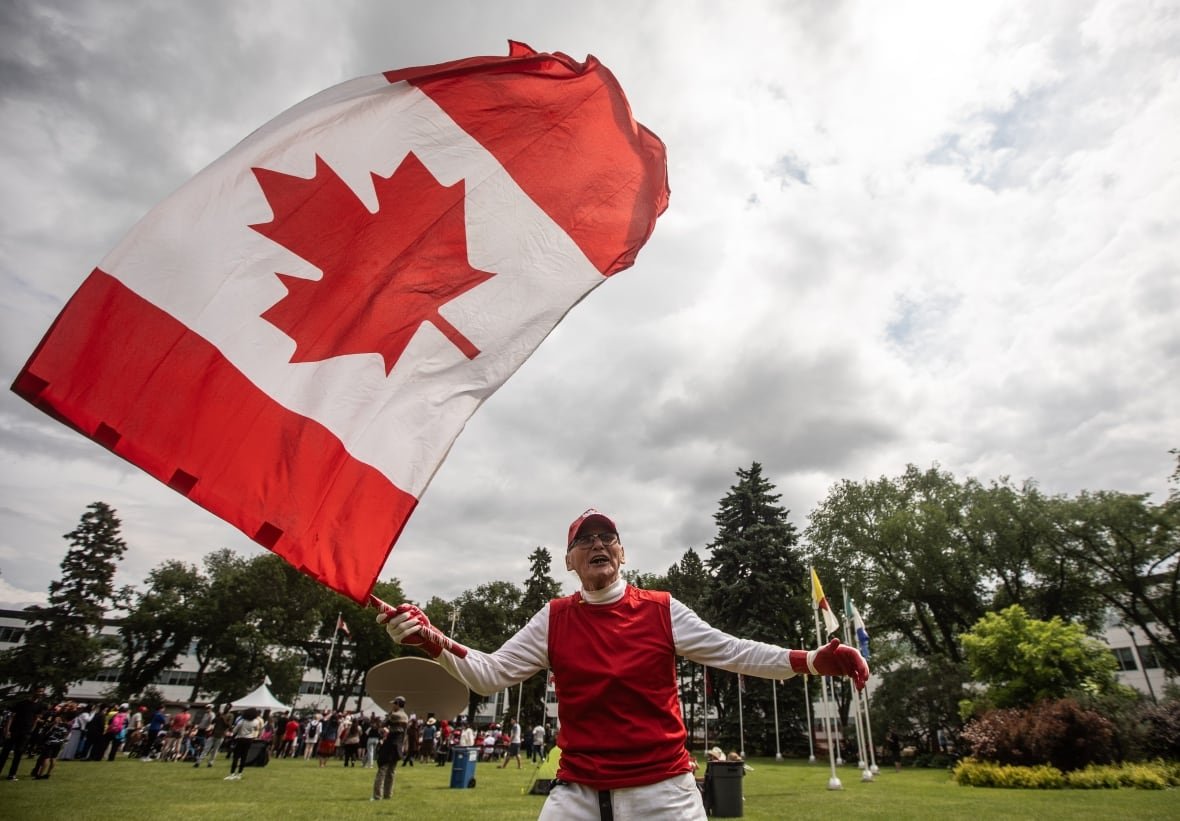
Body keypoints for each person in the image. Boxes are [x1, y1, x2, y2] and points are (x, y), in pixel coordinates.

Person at [379, 508, 870, 820]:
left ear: (621, 552)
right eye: (584, 539)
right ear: (569, 561)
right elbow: (491, 674)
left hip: (665, 794)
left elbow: (734, 650)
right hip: (578, 793)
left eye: (607, 537)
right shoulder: (554, 618)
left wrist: (810, 660)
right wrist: (431, 639)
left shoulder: (661, 609)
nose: (597, 543)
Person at [0, 686, 47, 780]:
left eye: (42, 692)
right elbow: (11, 717)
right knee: (5, 752)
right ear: (33, 692)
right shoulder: (22, 703)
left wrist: (31, 731)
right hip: (14, 730)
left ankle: (12, 774)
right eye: (39, 691)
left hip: (25, 732)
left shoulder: (40, 705)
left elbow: (36, 719)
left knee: (18, 753)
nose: (40, 693)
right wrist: (7, 730)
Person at [372, 698, 409, 801]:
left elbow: (383, 724)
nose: (392, 706)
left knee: (382, 769)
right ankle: (388, 794)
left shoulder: (394, 715)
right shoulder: (406, 716)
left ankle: (377, 795)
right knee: (392, 771)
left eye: (394, 704)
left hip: (390, 744)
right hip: (398, 745)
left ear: (397, 704)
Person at [225, 708, 262, 780]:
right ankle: (239, 773)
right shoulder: (256, 722)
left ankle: (232, 773)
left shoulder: (242, 721)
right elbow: (257, 729)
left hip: (240, 738)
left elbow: (234, 730)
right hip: (249, 739)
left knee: (236, 756)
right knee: (244, 757)